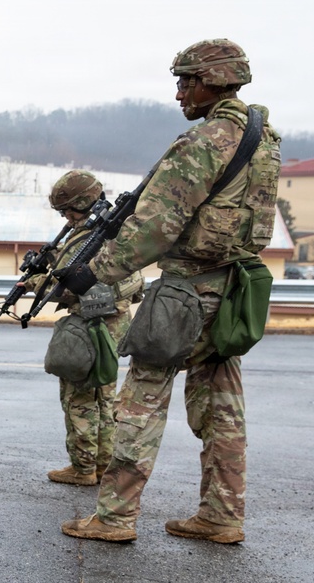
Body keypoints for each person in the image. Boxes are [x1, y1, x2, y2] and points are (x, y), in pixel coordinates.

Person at [53, 39, 280, 544]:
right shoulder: (263, 141)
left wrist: (96, 273)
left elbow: (153, 226)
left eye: (186, 81)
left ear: (211, 81)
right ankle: (222, 516)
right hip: (233, 288)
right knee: (224, 410)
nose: (180, 93)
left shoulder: (203, 142)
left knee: (140, 404)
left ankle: (114, 517)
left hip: (186, 293)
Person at [20, 171, 143, 486]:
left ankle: (83, 467)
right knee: (103, 397)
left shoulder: (88, 238)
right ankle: (103, 465)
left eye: (67, 210)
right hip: (116, 320)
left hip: (89, 324)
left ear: (81, 203)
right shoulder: (118, 229)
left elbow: (67, 287)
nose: (65, 216)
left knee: (79, 398)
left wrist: (32, 282)